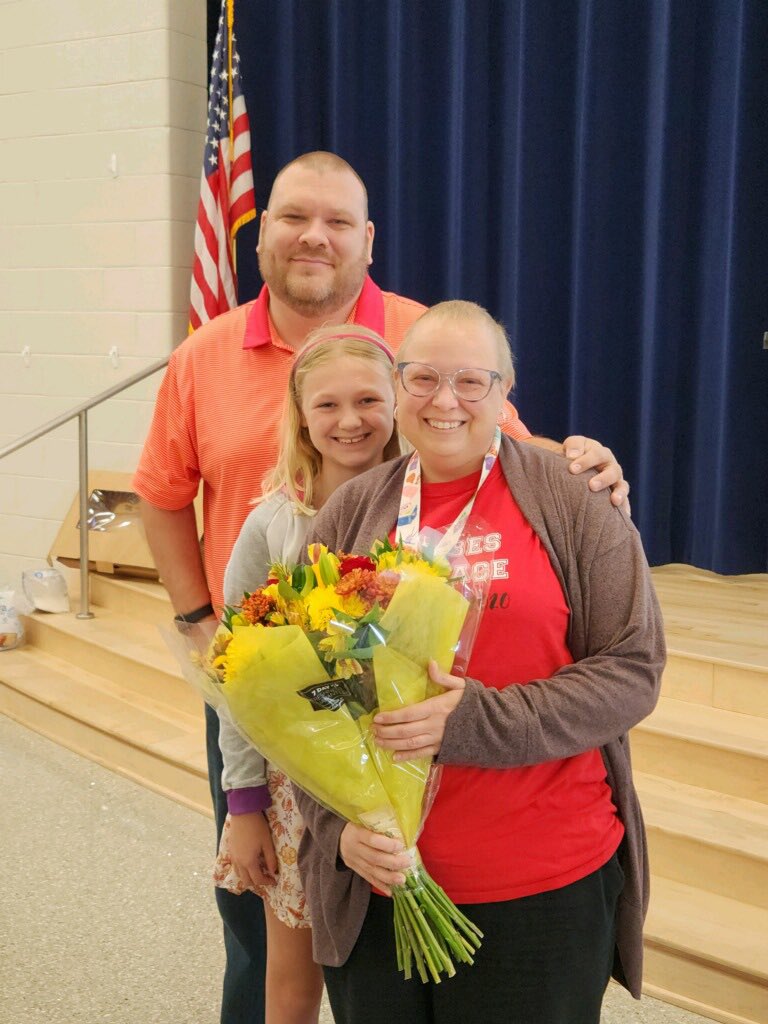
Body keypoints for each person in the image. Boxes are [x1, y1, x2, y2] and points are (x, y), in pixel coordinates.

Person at [133, 151, 629, 1023]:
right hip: (275, 713)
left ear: (368, 240)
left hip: (486, 812)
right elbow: (162, 493)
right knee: (270, 943)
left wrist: (587, 465)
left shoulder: (420, 332)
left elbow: (488, 433)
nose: (357, 420)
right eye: (292, 217)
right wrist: (204, 630)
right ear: (260, 235)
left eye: (336, 222)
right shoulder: (206, 362)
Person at [295, 300, 666, 1024]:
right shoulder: (349, 512)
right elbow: (310, 694)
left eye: (472, 381)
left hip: (539, 888)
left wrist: (474, 720)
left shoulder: (574, 494)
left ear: (505, 393)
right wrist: (336, 835)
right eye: (424, 377)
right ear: (399, 386)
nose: (445, 401)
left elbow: (633, 667)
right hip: (381, 885)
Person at [214, 325, 402, 1024]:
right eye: (327, 405)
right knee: (293, 983)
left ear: (398, 403)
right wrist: (244, 804)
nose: (349, 421)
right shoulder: (273, 525)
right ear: (299, 417)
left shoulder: (426, 509)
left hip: (410, 768)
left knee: (389, 973)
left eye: (367, 400)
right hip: (299, 783)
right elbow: (237, 676)